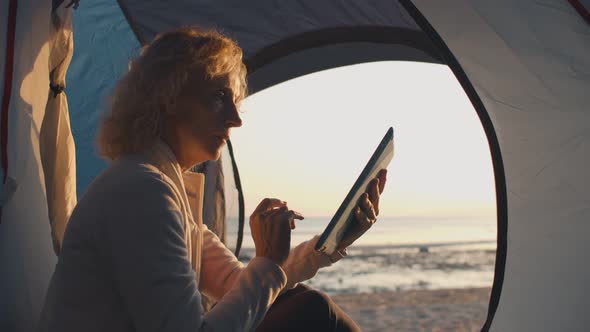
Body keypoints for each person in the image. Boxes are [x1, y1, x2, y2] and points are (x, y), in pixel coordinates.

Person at [38, 27, 387, 332]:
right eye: (220, 97)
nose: (236, 119)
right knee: (312, 312)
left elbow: (238, 284)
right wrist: (266, 261)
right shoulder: (141, 191)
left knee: (299, 302)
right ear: (168, 98)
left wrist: (331, 243)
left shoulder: (160, 187)